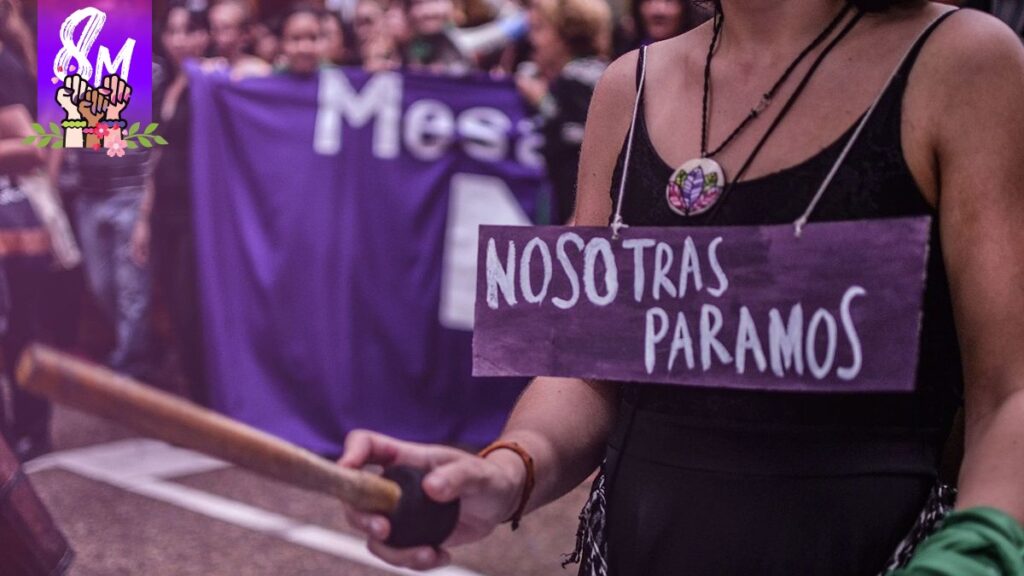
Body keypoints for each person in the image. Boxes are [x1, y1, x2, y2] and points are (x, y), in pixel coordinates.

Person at [338, 1, 1024, 575]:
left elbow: (1010, 393)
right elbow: (588, 367)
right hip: (636, 549)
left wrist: (970, 557)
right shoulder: (627, 83)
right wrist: (505, 473)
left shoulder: (965, 63)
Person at [134, 1, 210, 405]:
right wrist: (143, 219)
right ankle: (193, 391)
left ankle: (205, 398)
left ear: (204, 36)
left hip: (198, 213)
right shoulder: (164, 84)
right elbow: (154, 154)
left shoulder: (212, 82)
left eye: (188, 31)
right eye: (172, 32)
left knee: (190, 306)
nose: (179, 40)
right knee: (173, 305)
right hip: (163, 208)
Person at [0, 0, 51, 461]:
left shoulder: (4, 63)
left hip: (13, 221)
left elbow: (36, 145)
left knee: (21, 330)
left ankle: (31, 430)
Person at [515, 0, 611, 223]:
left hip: (582, 217)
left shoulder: (579, 78)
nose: (532, 39)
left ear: (567, 34)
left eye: (539, 28)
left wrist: (542, 101)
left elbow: (589, 150)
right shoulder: (590, 71)